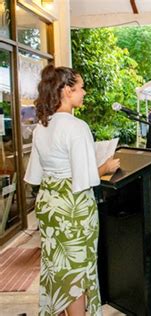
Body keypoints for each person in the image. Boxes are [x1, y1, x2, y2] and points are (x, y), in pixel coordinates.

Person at [24, 65, 120, 315]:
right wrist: (106, 166)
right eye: (81, 87)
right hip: (73, 208)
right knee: (77, 271)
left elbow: (35, 175)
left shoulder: (41, 127)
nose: (85, 92)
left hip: (48, 204)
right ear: (67, 90)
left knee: (59, 268)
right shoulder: (76, 127)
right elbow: (85, 178)